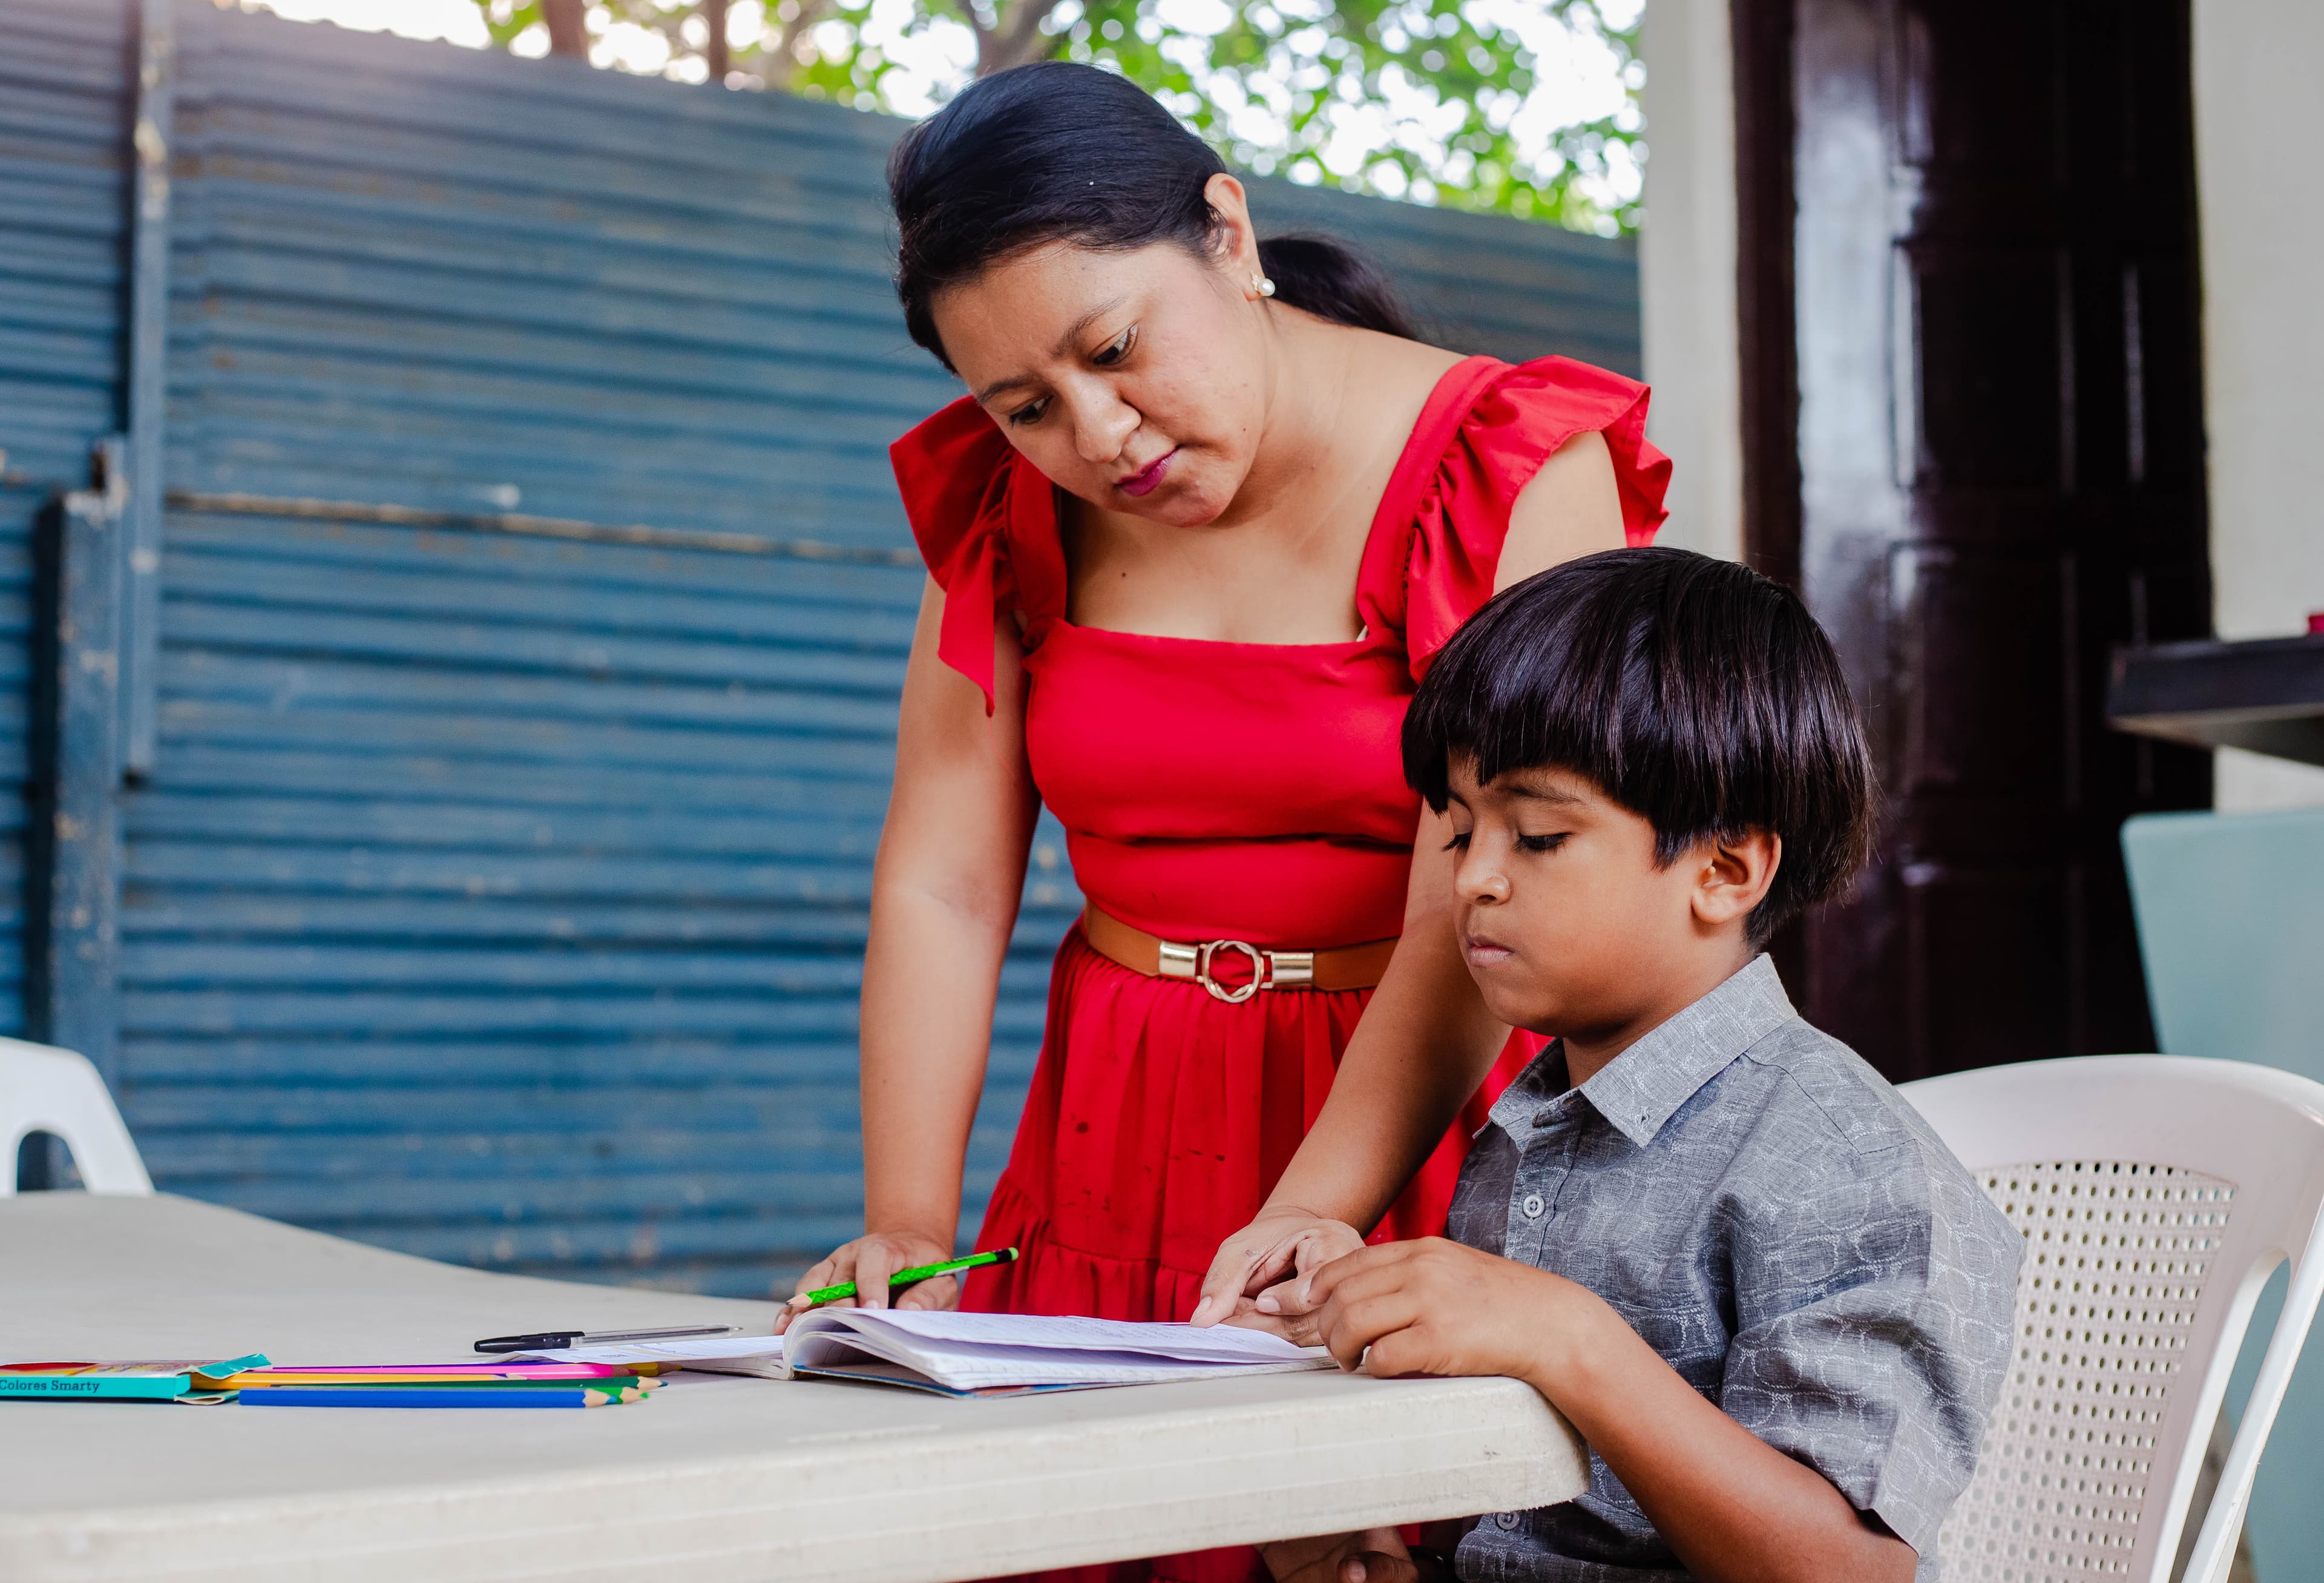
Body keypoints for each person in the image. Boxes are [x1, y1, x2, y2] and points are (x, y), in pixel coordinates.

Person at [776, 59, 1668, 1583]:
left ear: (1229, 234)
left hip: (1425, 1130)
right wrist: (905, 1231)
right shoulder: (1013, 508)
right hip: (1112, 1128)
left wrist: (1315, 1208)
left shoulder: (1505, 472)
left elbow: (1482, 888)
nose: (1101, 434)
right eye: (1027, 404)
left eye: (1117, 349)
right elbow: (943, 875)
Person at [1203, 548, 2021, 1583]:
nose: (1477, 883)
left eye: (1538, 835)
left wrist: (1570, 1341)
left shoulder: (1843, 1165)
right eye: (1458, 837)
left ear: (1723, 872)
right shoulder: (1538, 1117)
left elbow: (1849, 1571)